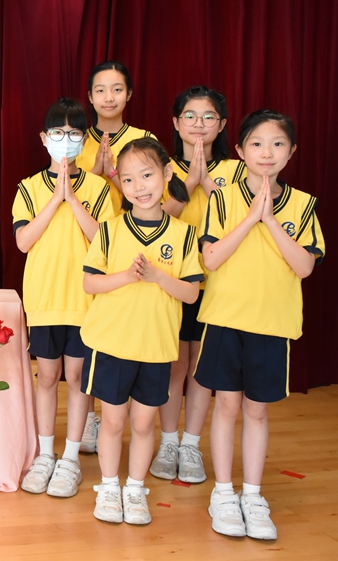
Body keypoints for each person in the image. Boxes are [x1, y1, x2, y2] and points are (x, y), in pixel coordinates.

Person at [195, 110, 324, 540]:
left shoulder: (303, 205)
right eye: (256, 143)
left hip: (272, 324)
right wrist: (251, 217)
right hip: (225, 319)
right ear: (239, 150)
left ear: (291, 152)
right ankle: (223, 493)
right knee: (227, 407)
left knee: (256, 410)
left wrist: (270, 220)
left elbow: (304, 266)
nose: (267, 152)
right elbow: (211, 258)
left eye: (277, 144)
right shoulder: (221, 199)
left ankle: (252, 494)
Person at [81, 138, 202, 525]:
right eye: (129, 179)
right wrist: (126, 276)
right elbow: (89, 283)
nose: (139, 186)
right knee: (113, 422)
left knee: (145, 423)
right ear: (120, 182)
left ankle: (135, 489)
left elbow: (191, 292)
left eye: (147, 175)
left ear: (166, 174)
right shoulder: (109, 230)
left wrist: (157, 276)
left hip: (156, 347)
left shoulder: (183, 234)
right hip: (111, 344)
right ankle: (109, 487)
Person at [13, 99, 115, 499]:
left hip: (85, 301)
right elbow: (23, 241)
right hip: (44, 298)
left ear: (84, 139)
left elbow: (104, 241)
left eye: (73, 133)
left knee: (76, 378)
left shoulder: (99, 189)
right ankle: (45, 454)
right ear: (44, 138)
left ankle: (70, 457)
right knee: (47, 377)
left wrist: (73, 199)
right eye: (58, 132)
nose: (65, 139)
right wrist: (55, 198)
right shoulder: (29, 187)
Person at [150, 86, 245, 484]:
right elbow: (156, 217)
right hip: (173, 281)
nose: (199, 124)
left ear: (221, 125)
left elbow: (243, 219)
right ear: (176, 123)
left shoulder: (238, 170)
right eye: (190, 115)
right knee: (174, 364)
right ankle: (168, 441)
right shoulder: (163, 167)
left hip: (220, 285)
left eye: (209, 117)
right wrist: (190, 183)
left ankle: (191, 444)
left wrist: (209, 184)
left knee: (202, 369)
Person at [76, 61, 158, 455]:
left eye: (117, 89)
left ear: (129, 95)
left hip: (130, 250)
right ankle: (92, 418)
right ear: (90, 97)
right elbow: (70, 192)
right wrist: (95, 172)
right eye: (101, 90)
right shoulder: (75, 139)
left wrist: (114, 177)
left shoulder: (144, 139)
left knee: (123, 335)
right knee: (89, 336)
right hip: (84, 245)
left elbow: (160, 199)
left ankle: (131, 424)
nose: (109, 97)